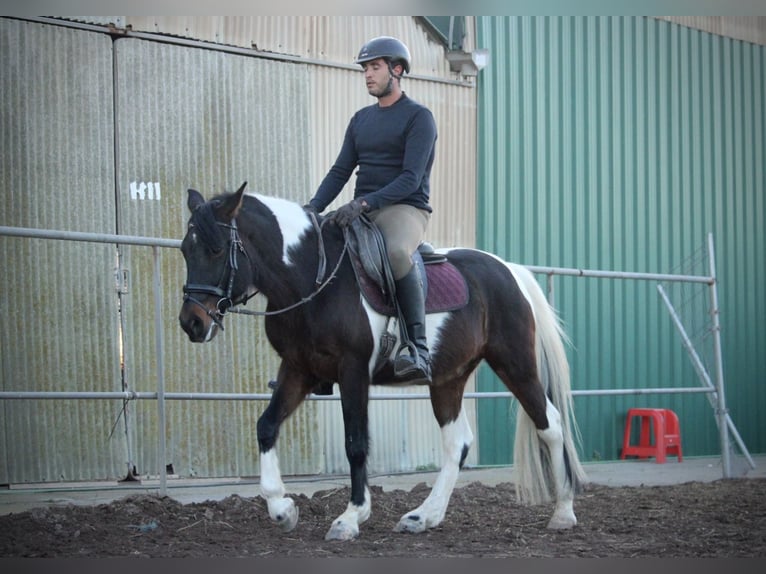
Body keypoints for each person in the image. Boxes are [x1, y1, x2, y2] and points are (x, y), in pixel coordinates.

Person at [306, 36, 437, 384]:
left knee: (395, 253)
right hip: (361, 209)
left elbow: (411, 179)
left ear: (397, 70)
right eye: (365, 68)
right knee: (317, 252)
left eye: (375, 67)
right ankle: (314, 359)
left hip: (403, 209)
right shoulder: (360, 120)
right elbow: (340, 171)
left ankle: (417, 350)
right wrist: (312, 209)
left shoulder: (419, 118)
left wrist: (363, 202)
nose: (367, 74)